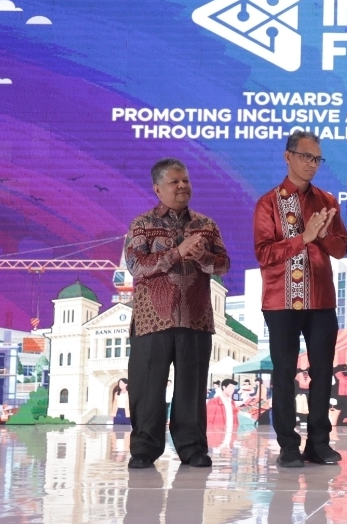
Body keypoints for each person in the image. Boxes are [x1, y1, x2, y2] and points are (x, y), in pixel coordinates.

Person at [125, 157, 230, 469]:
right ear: (158, 189)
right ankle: (144, 450)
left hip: (196, 318)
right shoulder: (142, 224)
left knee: (191, 389)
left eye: (186, 180)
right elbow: (137, 266)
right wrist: (177, 252)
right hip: (152, 320)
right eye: (175, 181)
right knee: (147, 388)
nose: (183, 185)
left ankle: (192, 448)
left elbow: (223, 265)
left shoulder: (206, 225)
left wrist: (203, 256)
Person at [254, 130, 347, 468]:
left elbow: (342, 248)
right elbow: (264, 254)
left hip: (321, 299)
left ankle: (319, 443)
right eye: (306, 156)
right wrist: (303, 238)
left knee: (323, 371)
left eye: (317, 159)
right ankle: (288, 446)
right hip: (281, 301)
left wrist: (322, 236)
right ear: (288, 156)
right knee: (284, 372)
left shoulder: (327, 200)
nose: (312, 164)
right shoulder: (268, 202)